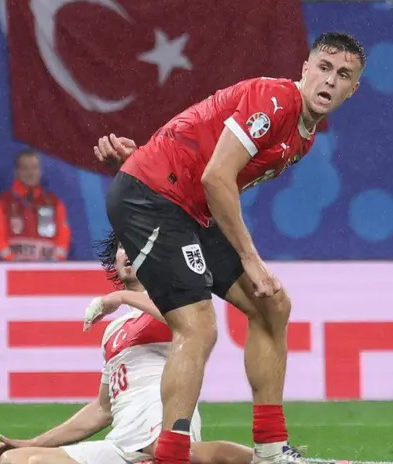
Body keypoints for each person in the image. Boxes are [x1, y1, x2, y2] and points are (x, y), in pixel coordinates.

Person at [93, 32, 366, 464]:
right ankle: (171, 456)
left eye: (344, 75)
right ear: (305, 70)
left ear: (353, 89)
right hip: (154, 199)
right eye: (325, 68)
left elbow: (198, 147)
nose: (330, 80)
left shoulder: (303, 136)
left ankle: (272, 447)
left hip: (184, 206)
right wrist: (250, 260)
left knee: (272, 305)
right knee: (199, 327)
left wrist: (146, 154)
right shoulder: (275, 100)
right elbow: (215, 178)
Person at [0, 246, 254, 464]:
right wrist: (33, 442)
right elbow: (102, 409)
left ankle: (264, 459)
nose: (126, 252)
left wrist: (124, 296)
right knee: (15, 460)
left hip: (161, 424)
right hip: (122, 440)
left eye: (134, 245)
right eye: (121, 247)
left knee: (169, 451)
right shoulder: (113, 330)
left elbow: (195, 326)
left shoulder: (173, 299)